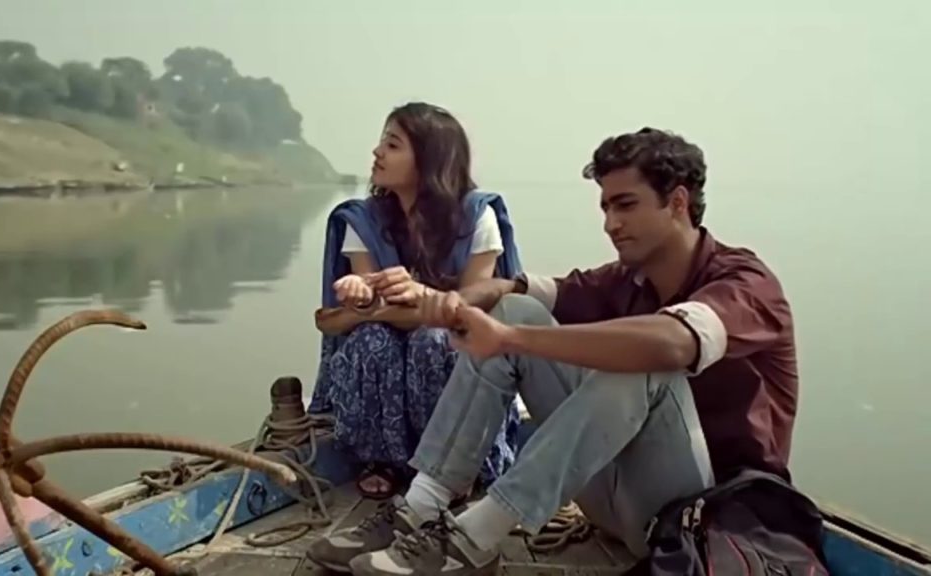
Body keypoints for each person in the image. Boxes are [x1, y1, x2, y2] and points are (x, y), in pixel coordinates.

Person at [307, 127, 800, 575]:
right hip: (616, 501)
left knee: (643, 361)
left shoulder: (746, 285)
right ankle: (418, 510)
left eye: (625, 205)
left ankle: (473, 539)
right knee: (516, 309)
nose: (610, 224)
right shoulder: (626, 279)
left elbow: (672, 343)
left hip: (701, 518)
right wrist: (448, 302)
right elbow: (521, 288)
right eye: (605, 208)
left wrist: (509, 340)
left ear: (677, 202)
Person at [308, 102, 525, 500]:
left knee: (434, 340)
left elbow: (472, 310)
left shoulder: (477, 218)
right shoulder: (362, 220)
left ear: (429, 160)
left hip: (450, 338)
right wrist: (359, 297)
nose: (377, 152)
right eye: (382, 142)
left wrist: (419, 300)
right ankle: (382, 460)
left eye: (392, 145)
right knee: (370, 340)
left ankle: (453, 465)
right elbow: (361, 311)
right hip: (385, 335)